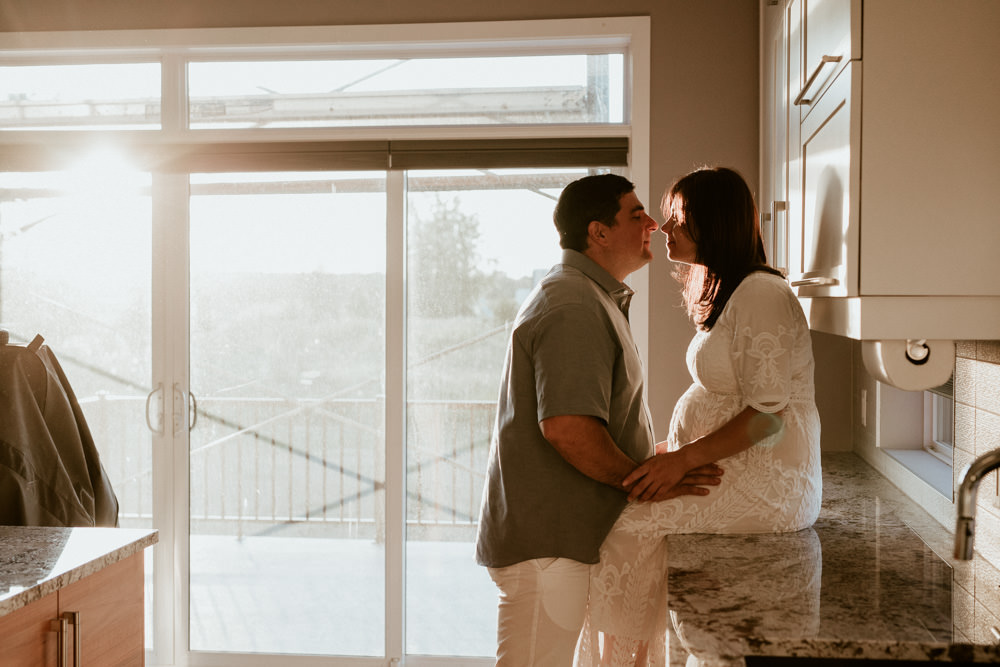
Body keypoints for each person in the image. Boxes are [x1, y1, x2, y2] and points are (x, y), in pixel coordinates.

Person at [575, 167, 823, 667]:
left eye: (678, 219)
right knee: (620, 511)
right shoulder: (736, 290)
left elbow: (768, 416)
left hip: (772, 483)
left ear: (716, 222)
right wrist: (671, 453)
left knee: (624, 524)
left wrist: (682, 460)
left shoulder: (762, 295)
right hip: (738, 466)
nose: (664, 229)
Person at [475, 173, 723, 667]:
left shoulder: (588, 297)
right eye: (636, 215)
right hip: (547, 545)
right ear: (599, 232)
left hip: (556, 538)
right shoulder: (572, 304)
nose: (653, 222)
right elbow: (568, 428)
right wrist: (644, 482)